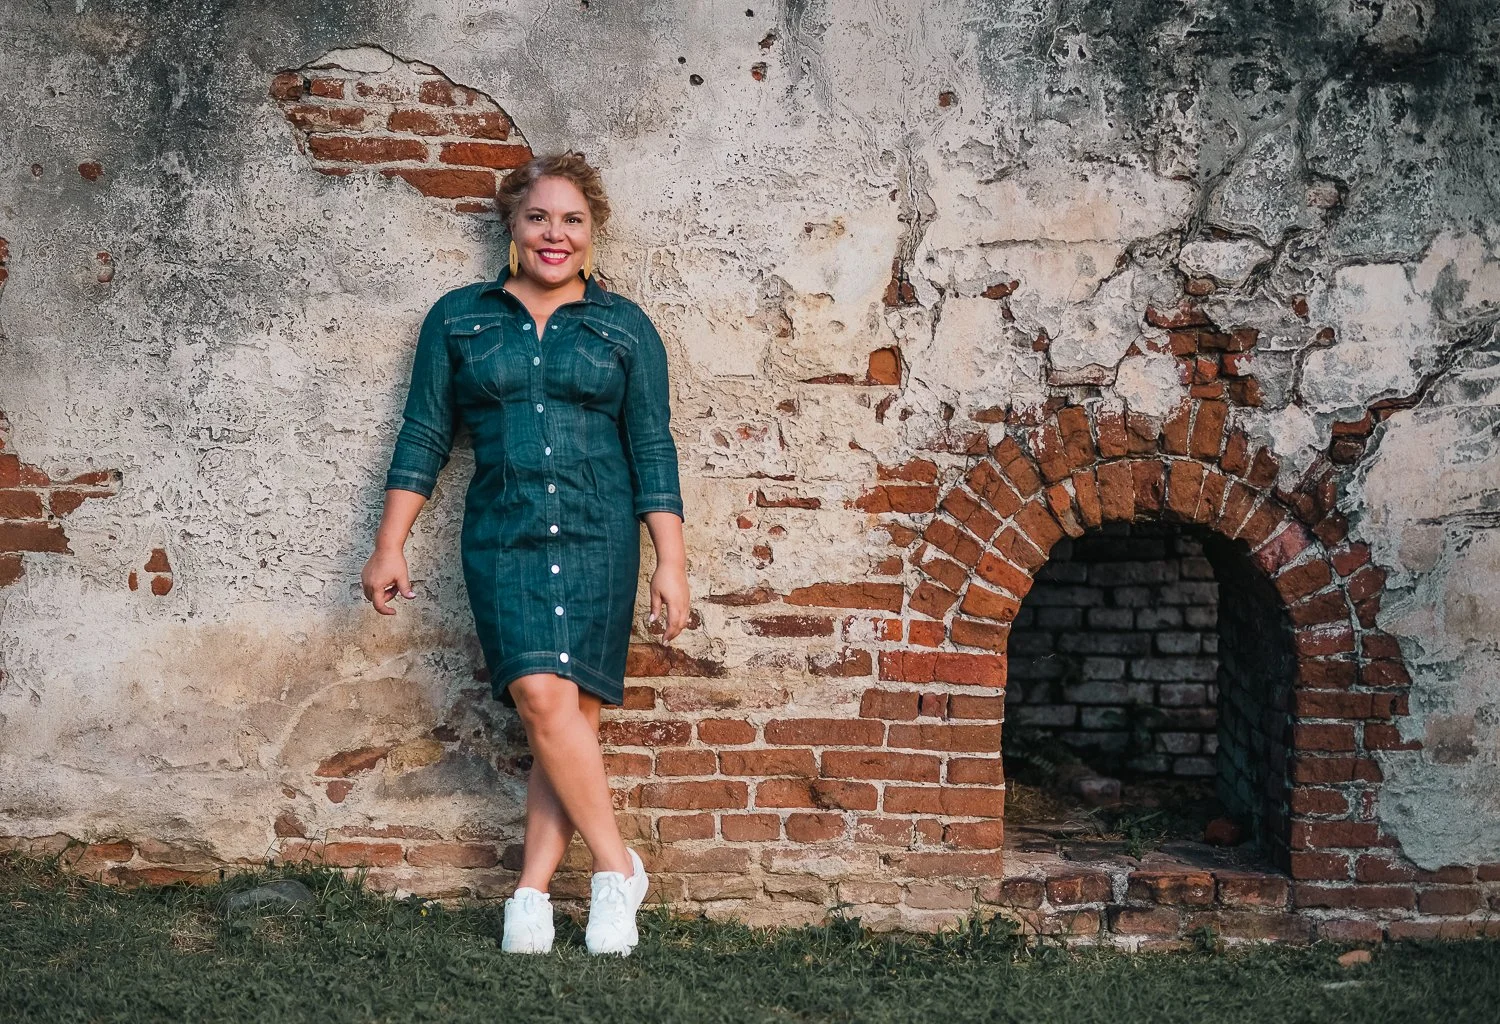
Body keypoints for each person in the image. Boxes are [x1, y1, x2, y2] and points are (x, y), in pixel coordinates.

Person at [360, 151, 690, 957]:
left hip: (598, 536)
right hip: (503, 537)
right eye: (539, 216)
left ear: (592, 232)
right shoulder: (458, 318)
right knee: (544, 701)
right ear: (512, 224)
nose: (555, 234)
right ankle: (618, 870)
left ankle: (530, 897)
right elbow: (426, 435)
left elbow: (652, 447)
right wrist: (390, 542)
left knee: (567, 718)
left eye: (572, 220)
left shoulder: (624, 327)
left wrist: (670, 563)